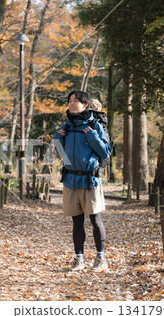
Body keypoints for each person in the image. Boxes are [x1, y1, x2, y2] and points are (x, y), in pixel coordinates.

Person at [53, 91, 112, 272]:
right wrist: (57, 139)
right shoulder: (67, 125)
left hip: (90, 180)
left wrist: (92, 135)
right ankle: (79, 260)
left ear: (85, 105)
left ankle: (100, 259)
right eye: (70, 101)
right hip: (70, 180)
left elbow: (106, 153)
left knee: (96, 220)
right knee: (76, 223)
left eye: (76, 101)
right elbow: (62, 154)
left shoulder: (94, 124)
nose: (72, 104)